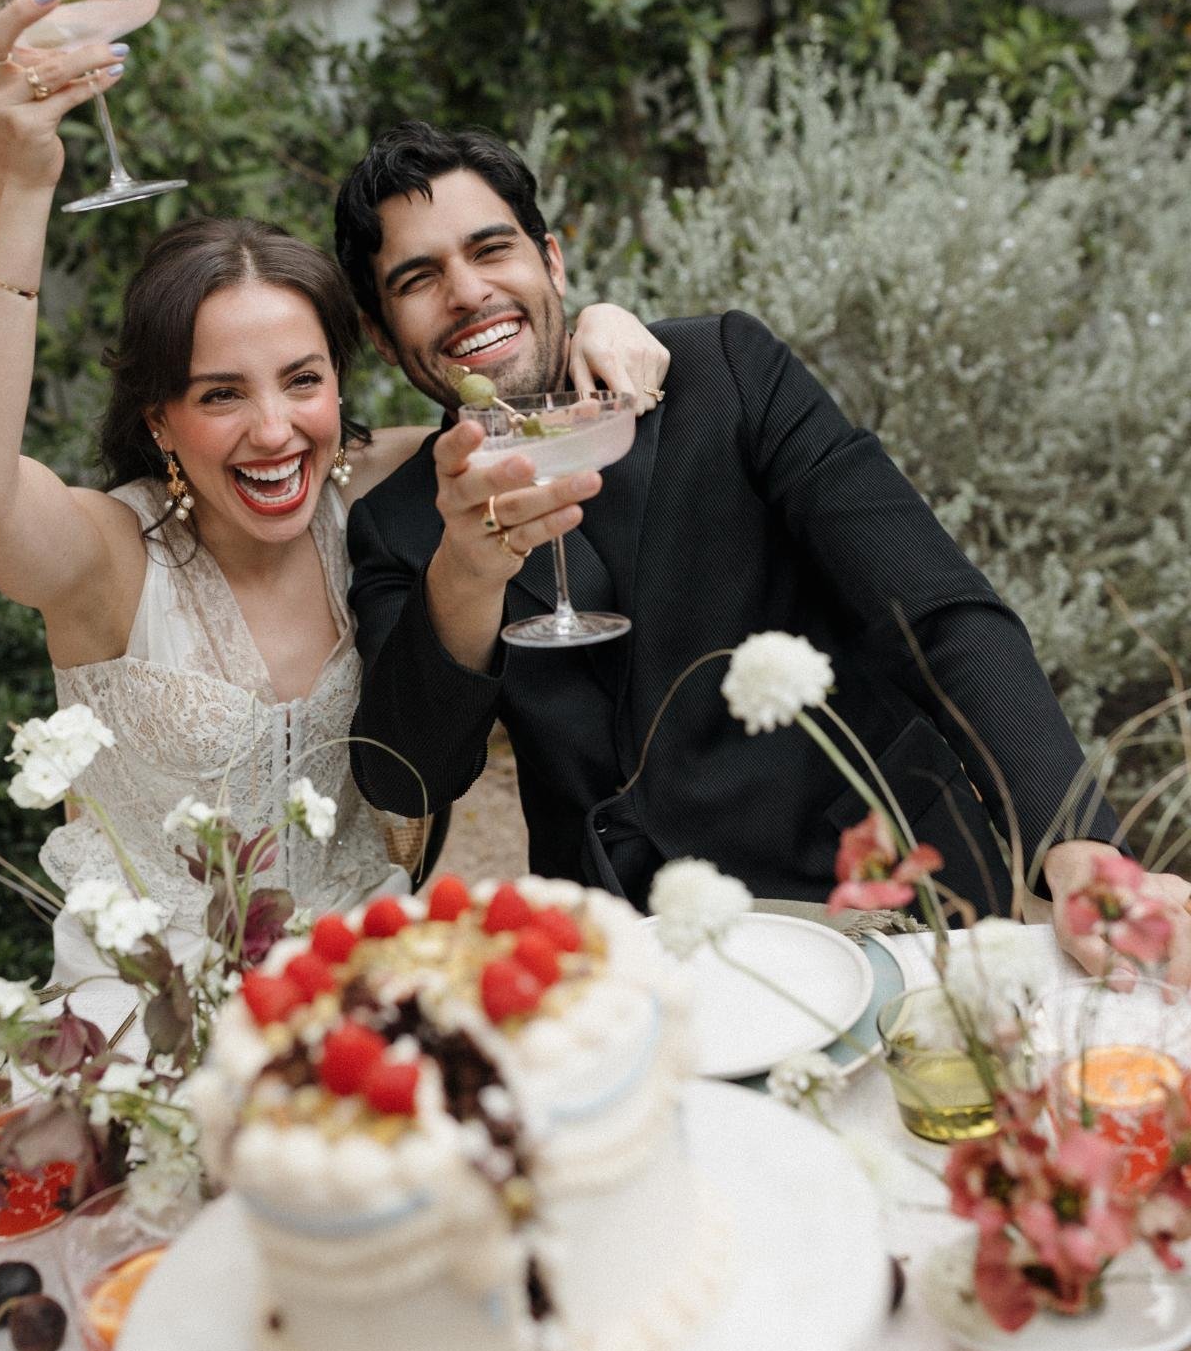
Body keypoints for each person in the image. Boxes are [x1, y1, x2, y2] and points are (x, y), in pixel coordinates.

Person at [0, 0, 669, 973]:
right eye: (221, 394)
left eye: (302, 381)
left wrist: (600, 320)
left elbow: (523, 401)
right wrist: (18, 174)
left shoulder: (388, 493)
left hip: (366, 986)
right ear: (162, 418)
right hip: (154, 1017)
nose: (274, 432)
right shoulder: (109, 557)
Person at [334, 121, 1191, 983]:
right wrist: (467, 572)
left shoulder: (726, 374)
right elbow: (408, 781)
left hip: (874, 904)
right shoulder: (401, 525)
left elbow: (937, 608)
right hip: (625, 958)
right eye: (418, 279)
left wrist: (1074, 838)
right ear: (379, 332)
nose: (468, 291)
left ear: (552, 261)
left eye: (492, 249)